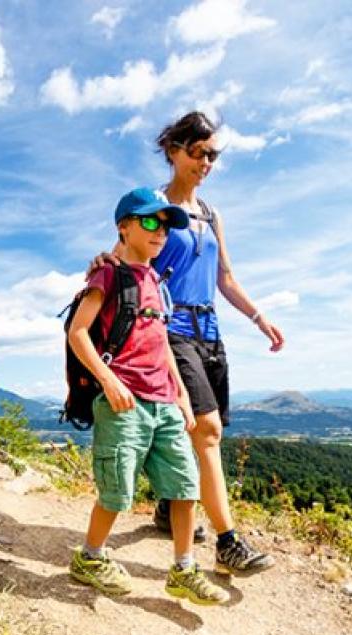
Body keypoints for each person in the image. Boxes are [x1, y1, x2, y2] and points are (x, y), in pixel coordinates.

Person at [89, 112, 285, 576]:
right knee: (209, 431)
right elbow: (126, 255)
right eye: (198, 152)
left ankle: (167, 506)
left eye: (213, 154)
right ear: (174, 151)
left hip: (210, 331)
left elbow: (225, 278)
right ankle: (228, 542)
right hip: (168, 329)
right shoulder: (156, 207)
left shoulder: (212, 215)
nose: (206, 162)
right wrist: (99, 261)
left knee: (191, 431)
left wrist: (259, 317)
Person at [68, 187, 229, 606]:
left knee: (184, 485)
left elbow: (160, 341)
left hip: (164, 401)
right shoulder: (108, 275)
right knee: (116, 489)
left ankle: (183, 569)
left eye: (167, 225)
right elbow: (78, 333)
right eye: (151, 222)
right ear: (124, 227)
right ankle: (90, 557)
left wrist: (181, 395)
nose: (161, 232)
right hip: (124, 400)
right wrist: (109, 381)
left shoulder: (158, 281)